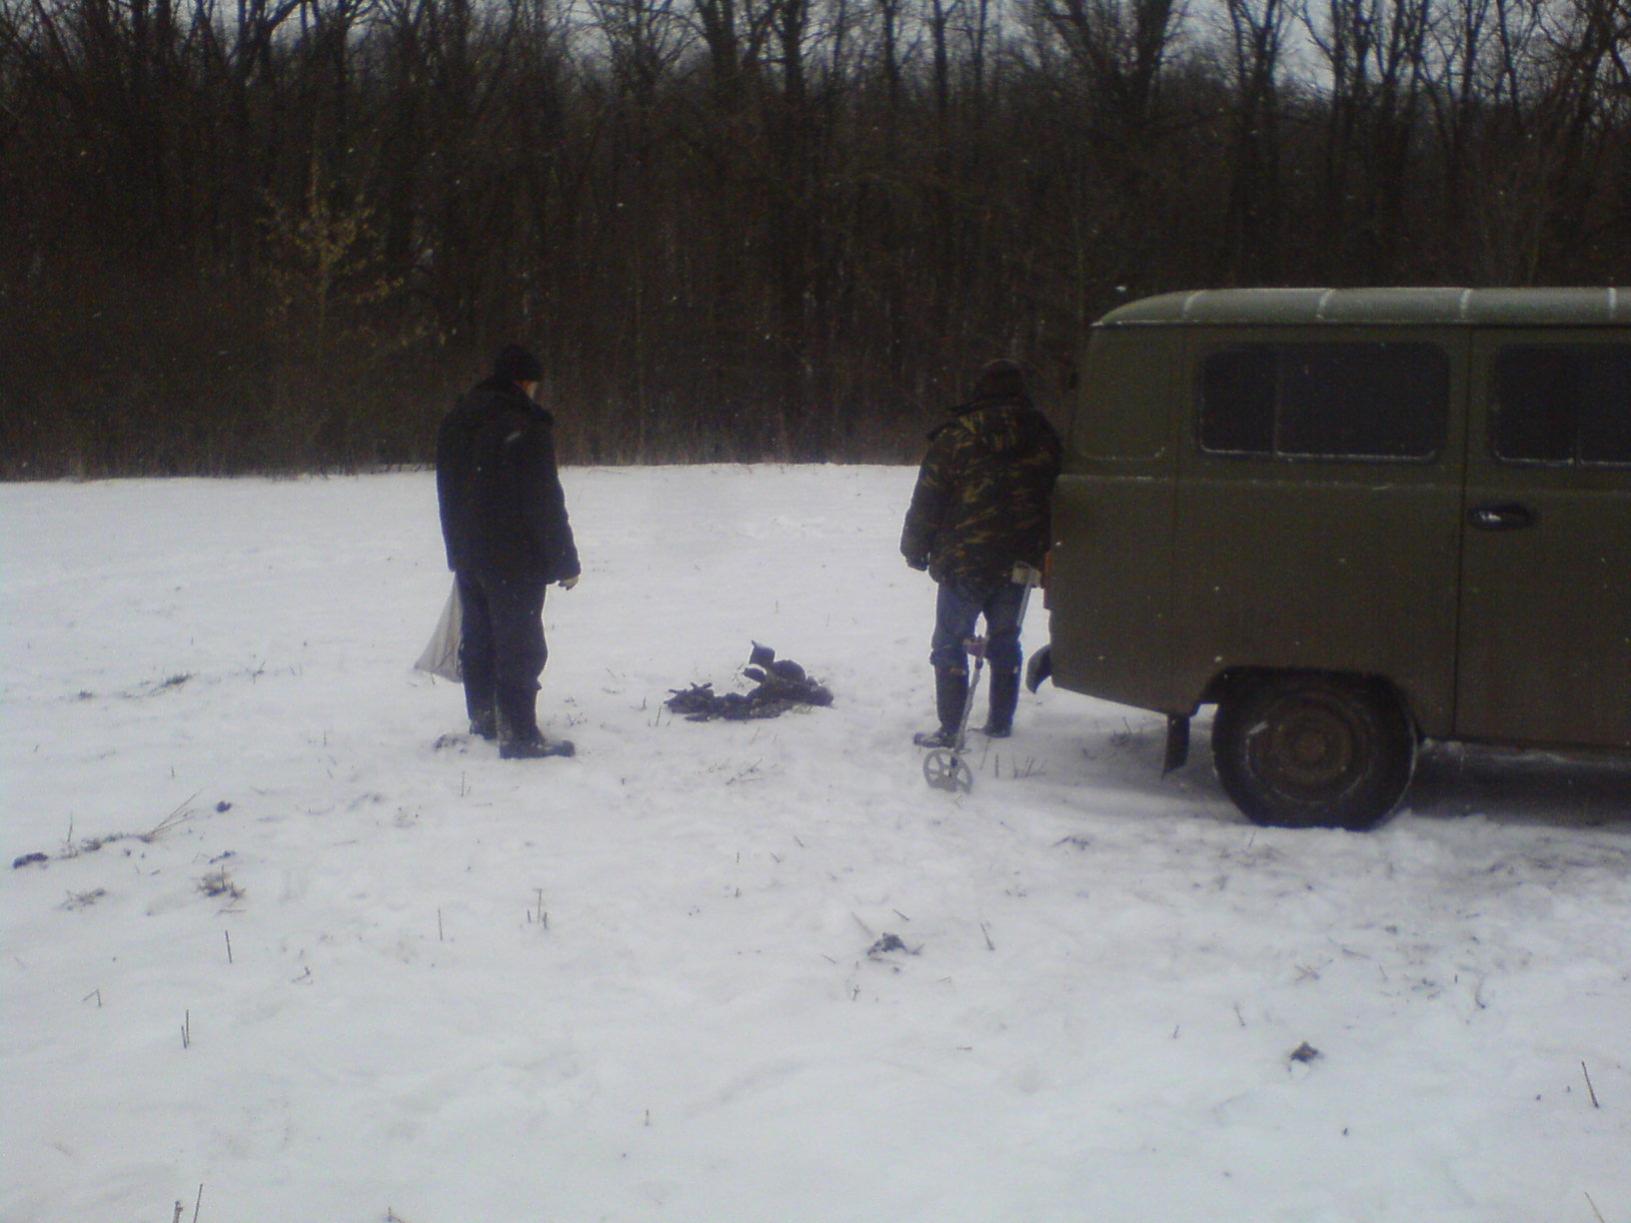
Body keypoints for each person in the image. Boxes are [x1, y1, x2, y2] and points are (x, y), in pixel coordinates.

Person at [900, 359, 1063, 747]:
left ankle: (951, 730)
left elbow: (929, 498)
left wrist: (914, 548)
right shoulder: (1044, 436)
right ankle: (1000, 723)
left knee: (950, 643)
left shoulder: (956, 437)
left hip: (964, 560)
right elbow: (1061, 496)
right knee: (1005, 640)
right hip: (1021, 561)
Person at [436, 344, 581, 759]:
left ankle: (485, 718)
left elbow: (449, 491)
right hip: (514, 555)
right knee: (521, 645)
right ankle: (518, 734)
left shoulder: (457, 420)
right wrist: (565, 561)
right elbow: (543, 499)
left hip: (470, 552)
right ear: (525, 383)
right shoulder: (523, 425)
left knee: (479, 638)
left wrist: (458, 549)